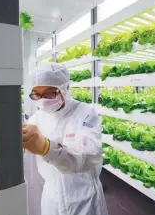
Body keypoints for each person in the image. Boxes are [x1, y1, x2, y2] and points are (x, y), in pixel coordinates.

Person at [22, 62, 108, 215]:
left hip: (84, 197)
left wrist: (47, 148)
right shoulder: (36, 119)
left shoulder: (86, 113)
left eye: (49, 93)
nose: (43, 100)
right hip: (51, 197)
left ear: (65, 88)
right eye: (37, 94)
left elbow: (88, 156)